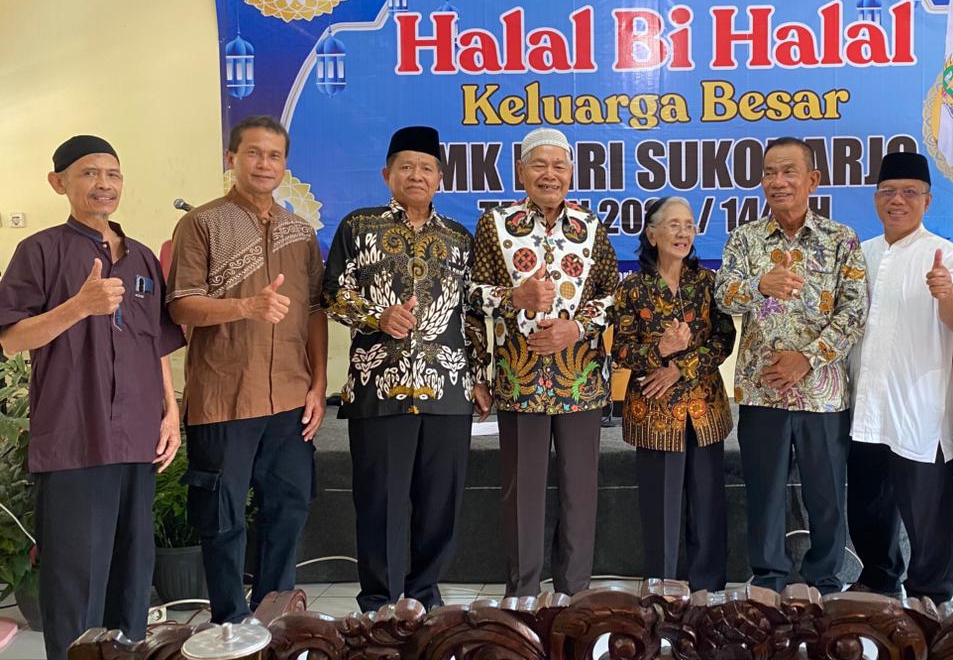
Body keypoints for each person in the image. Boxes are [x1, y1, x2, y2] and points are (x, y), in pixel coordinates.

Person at [0, 136, 184, 660]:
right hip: (75, 439)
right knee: (75, 580)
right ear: (59, 183)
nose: (104, 184)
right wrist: (77, 307)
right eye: (89, 173)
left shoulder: (142, 257)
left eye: (113, 174)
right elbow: (10, 338)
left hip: (138, 437)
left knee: (132, 578)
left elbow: (155, 343)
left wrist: (171, 412)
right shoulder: (40, 251)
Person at [323, 126, 492, 612]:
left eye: (426, 168)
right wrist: (377, 316)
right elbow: (332, 294)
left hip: (448, 390)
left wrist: (479, 376)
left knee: (441, 503)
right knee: (380, 502)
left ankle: (424, 599)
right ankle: (379, 603)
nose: (416, 175)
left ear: (440, 178)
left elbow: (471, 313)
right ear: (387, 174)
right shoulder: (358, 227)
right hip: (379, 388)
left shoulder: (459, 238)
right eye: (406, 167)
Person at [167, 116, 328, 623]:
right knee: (222, 517)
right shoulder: (202, 224)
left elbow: (315, 311)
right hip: (224, 399)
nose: (264, 164)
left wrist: (320, 383)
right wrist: (245, 307)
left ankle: (275, 620)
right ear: (231, 158)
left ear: (285, 164)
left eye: (274, 155)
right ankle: (230, 625)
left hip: (290, 398)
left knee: (289, 509)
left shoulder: (301, 232)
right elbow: (181, 304)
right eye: (254, 153)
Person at [714, 136, 867, 595]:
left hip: (823, 395)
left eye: (788, 171)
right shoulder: (745, 239)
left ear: (812, 180)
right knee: (765, 492)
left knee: (826, 495)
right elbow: (722, 297)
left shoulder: (841, 239)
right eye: (769, 173)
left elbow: (854, 311)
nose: (777, 182)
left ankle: (825, 580)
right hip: (763, 392)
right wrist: (759, 284)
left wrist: (808, 358)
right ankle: (768, 578)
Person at [469, 127, 618, 597]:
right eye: (539, 164)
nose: (549, 174)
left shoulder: (590, 227)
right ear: (521, 171)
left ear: (571, 172)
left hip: (581, 382)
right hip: (520, 380)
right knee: (523, 494)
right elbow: (471, 296)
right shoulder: (495, 224)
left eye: (559, 165)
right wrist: (514, 298)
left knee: (580, 492)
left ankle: (575, 595)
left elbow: (613, 295)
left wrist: (578, 327)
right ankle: (523, 597)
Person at [846, 151, 953, 605]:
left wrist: (946, 293)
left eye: (909, 192)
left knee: (927, 512)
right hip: (866, 405)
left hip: (918, 406)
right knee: (868, 503)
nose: (897, 200)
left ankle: (930, 594)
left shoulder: (943, 254)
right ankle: (879, 578)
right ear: (875, 198)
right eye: (888, 192)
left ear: (927, 200)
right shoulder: (861, 254)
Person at [614, 196, 736, 592]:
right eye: (673, 225)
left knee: (708, 507)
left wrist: (680, 366)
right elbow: (621, 350)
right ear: (652, 235)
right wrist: (659, 351)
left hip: (704, 411)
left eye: (689, 225)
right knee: (660, 510)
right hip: (654, 413)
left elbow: (724, 338)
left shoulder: (708, 282)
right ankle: (662, 590)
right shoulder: (632, 288)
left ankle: (708, 593)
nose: (683, 233)